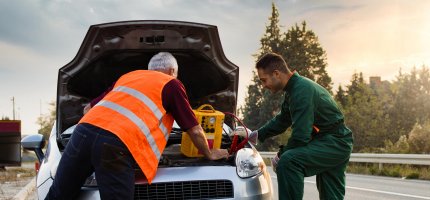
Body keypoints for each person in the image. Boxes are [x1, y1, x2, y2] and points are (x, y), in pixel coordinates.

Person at [46, 52, 229, 199]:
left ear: (150, 69)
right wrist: (210, 153)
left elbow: (88, 109)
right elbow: (195, 129)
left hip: (82, 133)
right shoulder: (172, 84)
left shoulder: (129, 77)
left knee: (58, 194)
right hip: (114, 144)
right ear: (173, 71)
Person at [248, 52, 353, 200]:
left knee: (288, 162)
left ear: (276, 74)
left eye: (264, 80)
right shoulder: (294, 90)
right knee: (332, 196)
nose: (264, 85)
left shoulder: (301, 90)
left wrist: (282, 154)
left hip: (334, 142)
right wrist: (256, 135)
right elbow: (282, 120)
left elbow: (301, 136)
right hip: (334, 141)